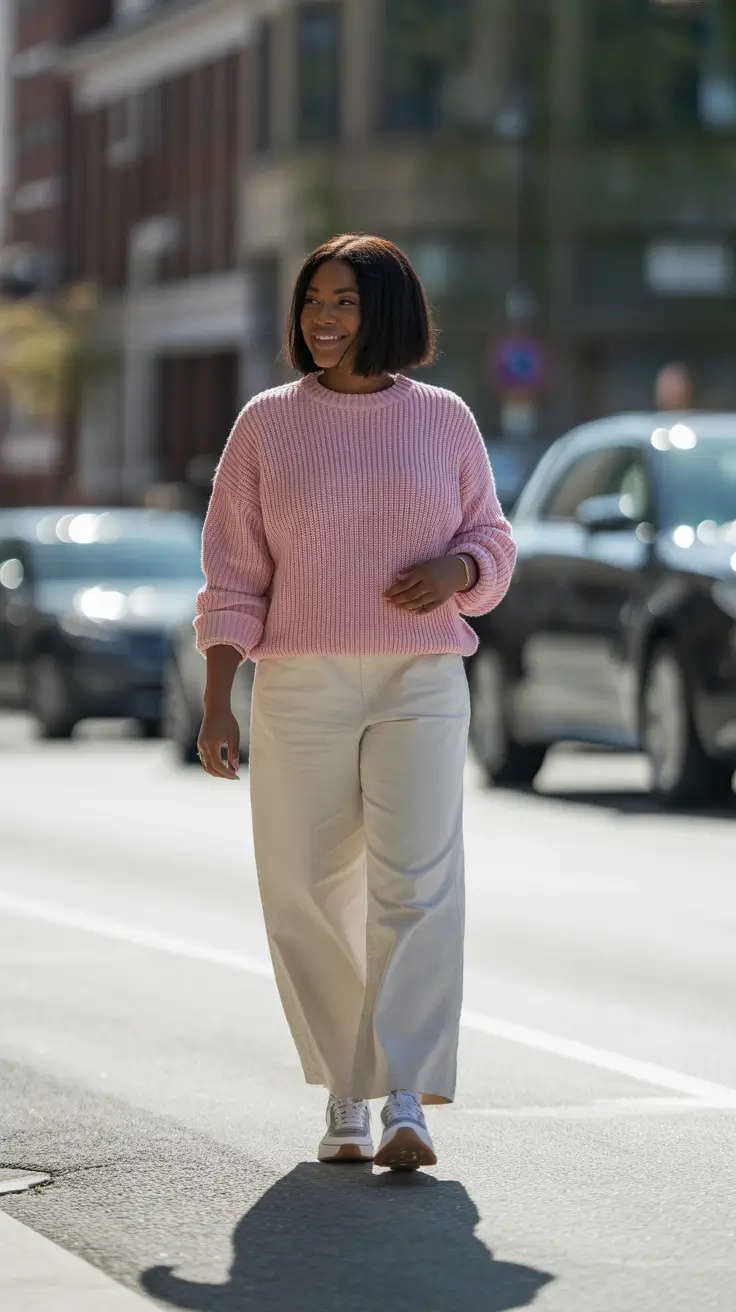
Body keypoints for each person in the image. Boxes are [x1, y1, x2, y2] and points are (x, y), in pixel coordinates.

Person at [194, 234, 516, 1172]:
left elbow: (491, 542)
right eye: (312, 302)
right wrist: (220, 702)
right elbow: (232, 575)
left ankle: (407, 1096)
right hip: (298, 682)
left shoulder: (445, 417)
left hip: (421, 679)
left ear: (389, 311)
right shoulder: (265, 425)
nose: (324, 319)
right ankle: (345, 1091)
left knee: (415, 882)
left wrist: (458, 566)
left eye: (344, 301)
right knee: (300, 886)